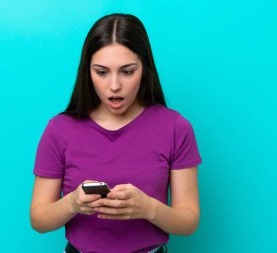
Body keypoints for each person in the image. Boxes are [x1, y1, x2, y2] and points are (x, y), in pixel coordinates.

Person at [30, 13, 202, 253]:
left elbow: (189, 220)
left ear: (144, 68)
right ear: (87, 72)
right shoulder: (59, 129)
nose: (114, 86)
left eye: (127, 71)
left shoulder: (176, 128)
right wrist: (73, 202)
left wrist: (148, 208)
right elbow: (39, 219)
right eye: (101, 72)